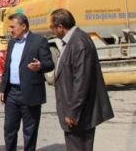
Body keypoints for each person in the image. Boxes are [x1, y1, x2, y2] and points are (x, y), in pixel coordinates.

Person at [49, 9, 114, 151]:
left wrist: (73, 112)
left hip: (79, 116)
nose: (51, 30)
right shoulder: (73, 40)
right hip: (79, 113)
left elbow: (82, 81)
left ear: (60, 27)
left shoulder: (78, 42)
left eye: (52, 27)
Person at [0, 13, 54, 151]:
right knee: (9, 130)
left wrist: (40, 66)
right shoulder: (12, 42)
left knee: (29, 132)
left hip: (30, 93)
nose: (10, 30)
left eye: (13, 27)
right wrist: (2, 89)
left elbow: (50, 64)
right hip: (11, 93)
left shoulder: (39, 41)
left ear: (23, 26)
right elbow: (7, 67)